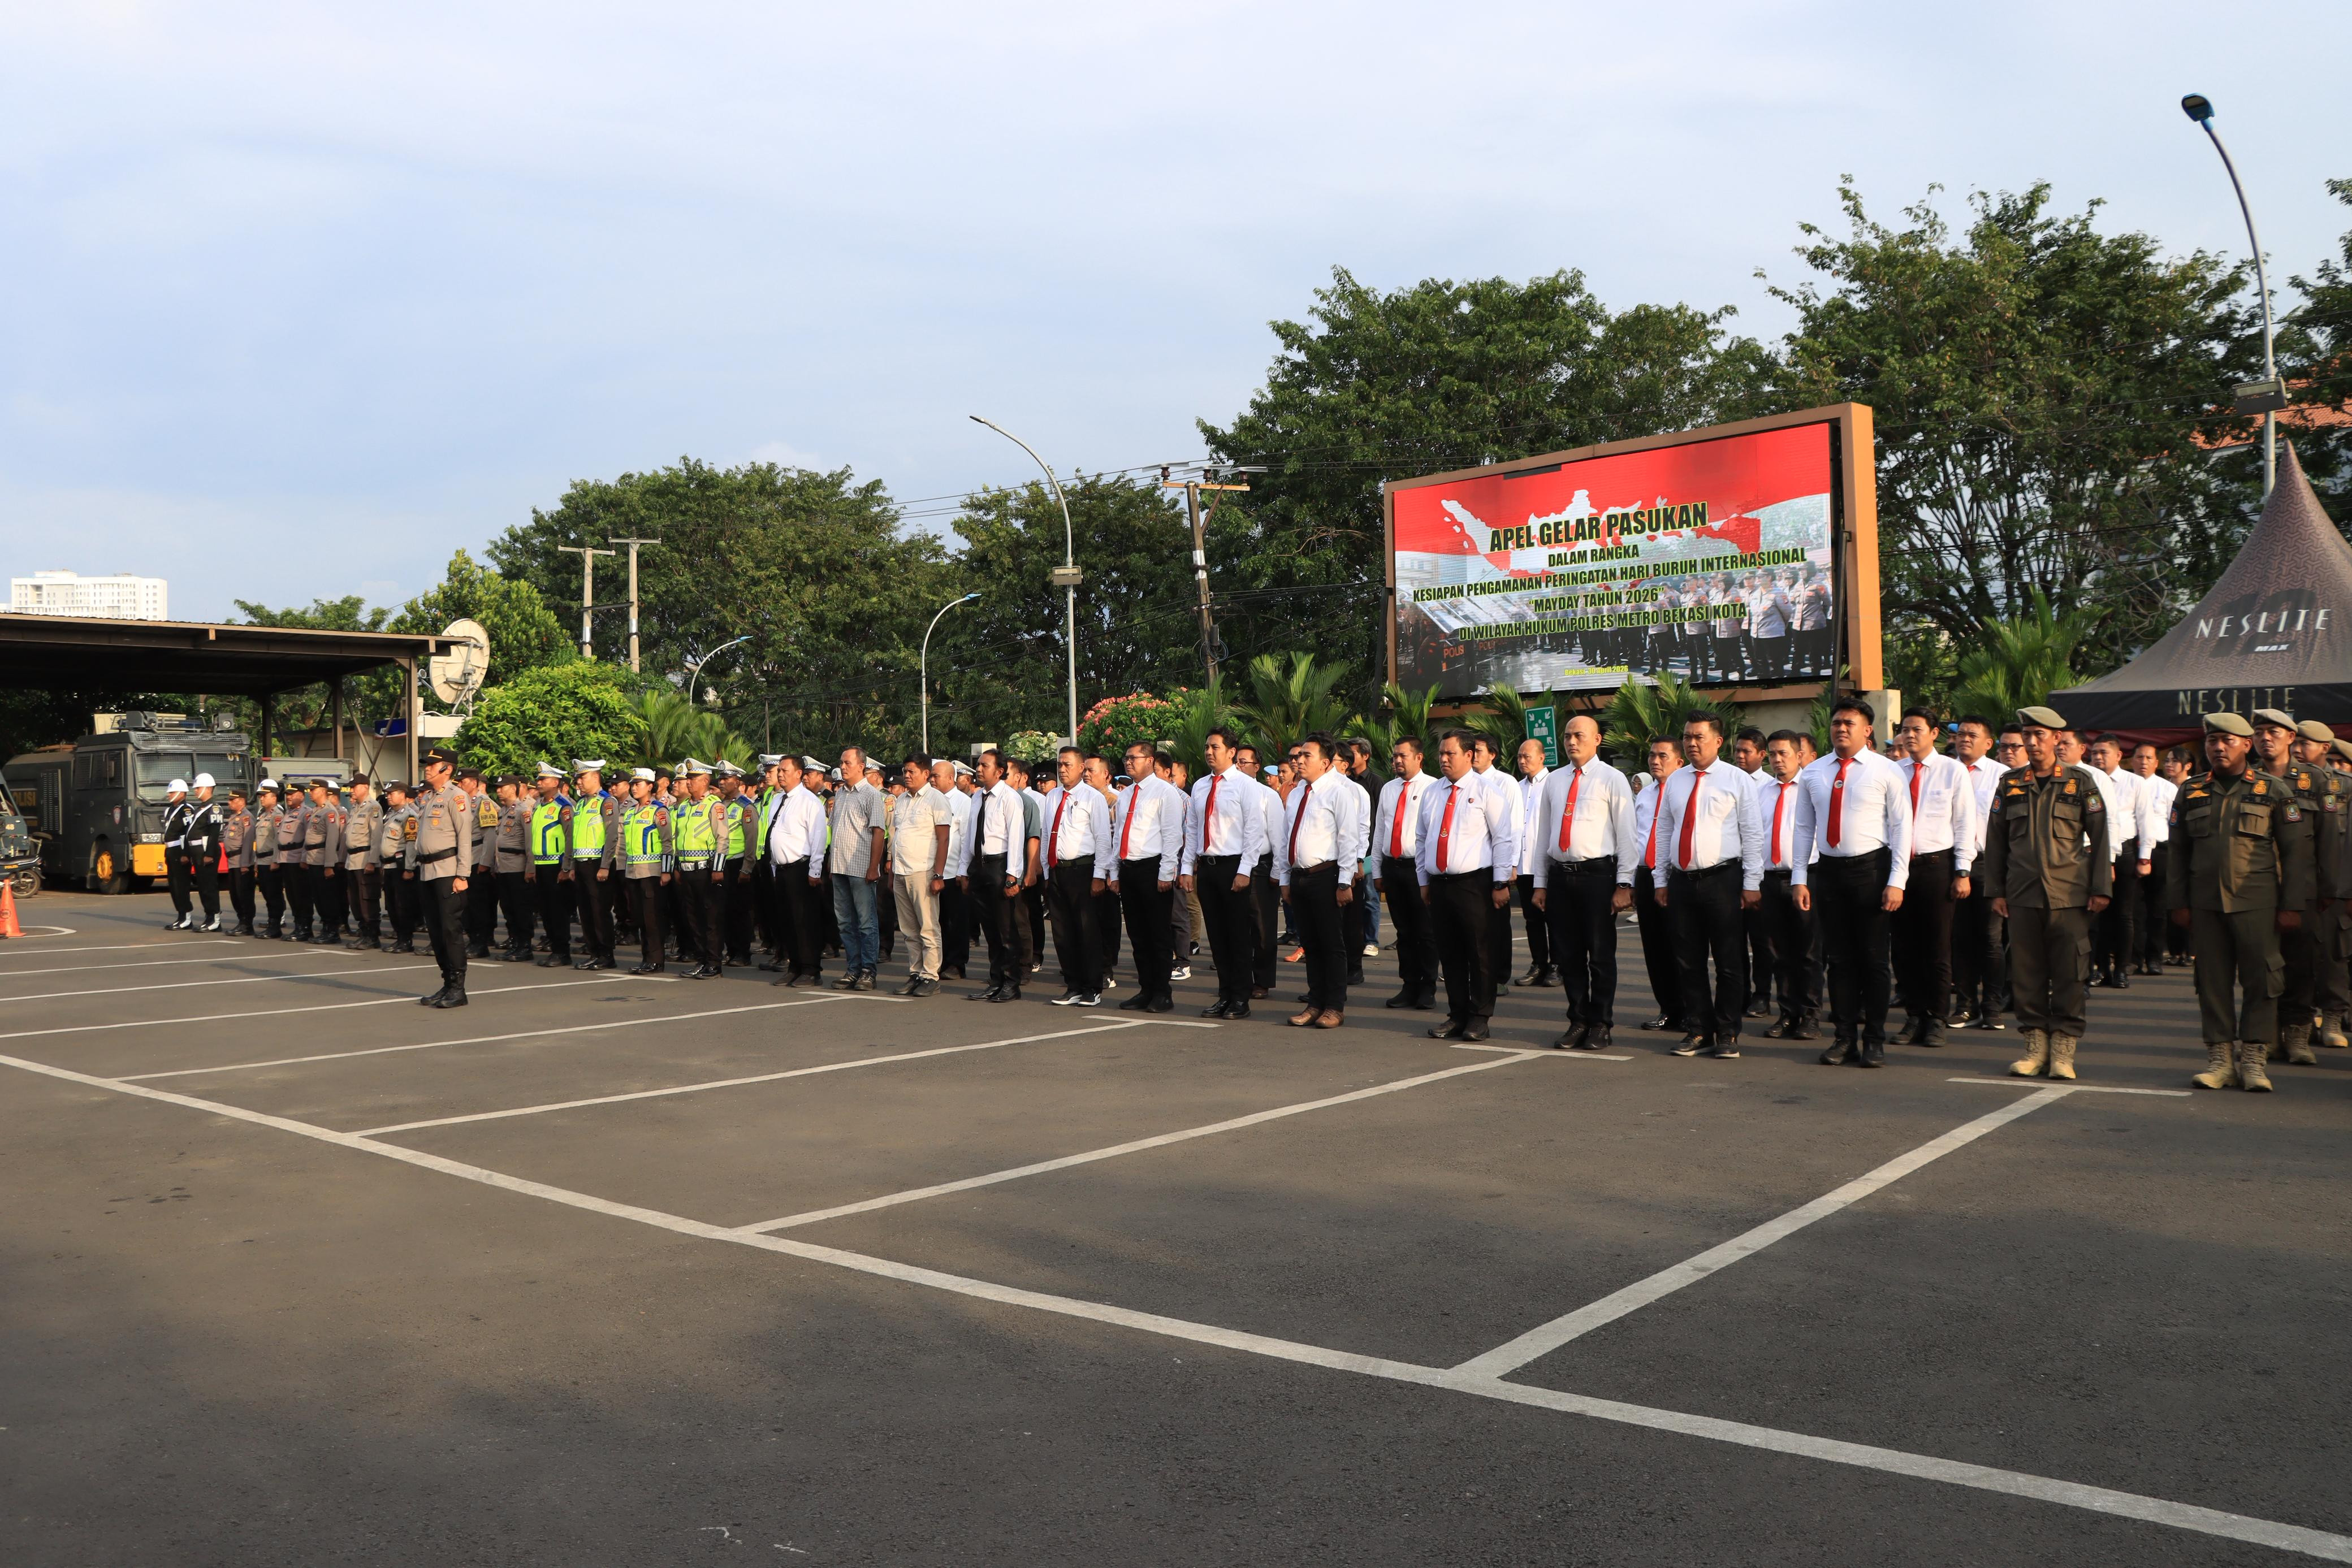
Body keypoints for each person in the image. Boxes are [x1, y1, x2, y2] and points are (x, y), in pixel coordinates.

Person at [2168, 712, 2311, 1091]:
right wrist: (2177, 902)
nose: (2217, 747)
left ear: (2246, 745)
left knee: (2262, 981)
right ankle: (2219, 1060)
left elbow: (2295, 853)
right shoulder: (2191, 791)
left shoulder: (2274, 790)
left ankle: (2253, 1060)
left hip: (2258, 903)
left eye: (2227, 741)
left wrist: (2292, 905)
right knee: (2211, 983)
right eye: (2211, 741)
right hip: (2206, 904)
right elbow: (2178, 853)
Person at [1979, 706, 2111, 1081]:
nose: (2032, 742)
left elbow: (2101, 837)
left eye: (2040, 735)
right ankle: (2035, 1048)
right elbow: (1996, 840)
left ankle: (2064, 1051)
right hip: (2022, 895)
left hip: (2070, 894)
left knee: (2070, 973)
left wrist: (2101, 887)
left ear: (2057, 739)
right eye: (2028, 735)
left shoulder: (2080, 782)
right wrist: (1997, 891)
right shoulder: (2011, 783)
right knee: (2027, 973)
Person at [1792, 698, 1913, 1067]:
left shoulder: (1886, 771)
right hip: (1829, 872)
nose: (1841, 729)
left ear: (1867, 730)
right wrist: (1800, 877)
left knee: (1874, 960)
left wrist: (1898, 880)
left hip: (1872, 872)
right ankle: (1845, 1038)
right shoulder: (1814, 772)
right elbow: (1803, 827)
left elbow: (1901, 827)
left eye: (1849, 723)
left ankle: (1874, 1038)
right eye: (1837, 723)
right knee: (1839, 961)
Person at [1653, 713, 1765, 1059]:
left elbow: (1753, 835)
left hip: (1723, 880)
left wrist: (1751, 883)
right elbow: (1665, 832)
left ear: (1718, 741)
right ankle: (1699, 1029)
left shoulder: (1736, 779)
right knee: (1689, 960)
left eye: (1699, 737)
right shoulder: (1676, 781)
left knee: (1729, 961)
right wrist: (1661, 879)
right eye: (1687, 736)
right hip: (1683, 881)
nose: (1691, 743)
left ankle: (1728, 1032)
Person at [1529, 713, 1637, 1050]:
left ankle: (1601, 1023)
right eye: (1566, 736)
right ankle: (1578, 1019)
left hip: (1598, 877)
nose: (1571, 741)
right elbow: (1543, 834)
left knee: (1601, 955)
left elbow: (1627, 835)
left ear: (1597, 740)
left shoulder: (1612, 778)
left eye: (1579, 735)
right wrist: (1541, 884)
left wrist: (1624, 884)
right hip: (1561, 878)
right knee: (1568, 955)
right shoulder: (1555, 781)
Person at [2247, 710, 2346, 1065]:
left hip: (2303, 887)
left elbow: (2329, 841)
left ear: (2291, 737)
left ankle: (2299, 1034)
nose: (2265, 739)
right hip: (2255, 886)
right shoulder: (2247, 777)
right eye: (2259, 733)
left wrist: (2330, 888)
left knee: (2301, 965)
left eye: (2273, 732)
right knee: (2260, 965)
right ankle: (2266, 1035)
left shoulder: (2317, 780)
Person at [1415, 730, 1516, 1042]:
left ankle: (1480, 1017)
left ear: (1470, 755)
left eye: (1451, 754)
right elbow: (1422, 839)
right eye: (1441, 754)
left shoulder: (1487, 791)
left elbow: (1503, 839)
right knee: (1451, 953)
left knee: (1480, 952)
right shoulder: (1432, 792)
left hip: (1475, 883)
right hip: (1440, 884)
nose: (1444, 759)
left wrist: (1501, 882)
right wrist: (1424, 880)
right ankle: (1457, 1015)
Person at [1890, 708, 1977, 1047]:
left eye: (1917, 730)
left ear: (1934, 733)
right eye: (1905, 730)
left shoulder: (1952, 771)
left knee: (1937, 947)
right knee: (1904, 947)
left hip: (1936, 867)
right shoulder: (1894, 772)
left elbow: (1965, 824)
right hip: (1898, 868)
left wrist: (1962, 871)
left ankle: (1937, 1018)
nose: (1910, 735)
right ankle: (1913, 1016)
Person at [1274, 733, 1369, 1028]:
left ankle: (1334, 1006)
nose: (1299, 761)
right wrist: (1284, 880)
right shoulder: (1298, 792)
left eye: (1307, 756)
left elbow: (1348, 839)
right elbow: (1285, 838)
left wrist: (1344, 883)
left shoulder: (1339, 792)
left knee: (1332, 944)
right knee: (1311, 944)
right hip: (1300, 877)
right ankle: (1315, 1003)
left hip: (1326, 876)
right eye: (1298, 756)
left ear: (1326, 763)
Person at [1183, 727, 1269, 1020]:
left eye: (1215, 747)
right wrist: (1186, 867)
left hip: (1234, 868)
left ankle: (1240, 998)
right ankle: (1224, 995)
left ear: (1232, 752)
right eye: (1207, 747)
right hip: (1207, 869)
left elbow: (1254, 831)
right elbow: (1193, 829)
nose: (1209, 752)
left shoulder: (1245, 786)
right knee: (1217, 938)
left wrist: (1245, 870)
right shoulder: (1200, 786)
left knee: (1238, 937)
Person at [2287, 721, 2352, 1049]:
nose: (2297, 749)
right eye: (2295, 743)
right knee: (2298, 954)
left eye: (2305, 744)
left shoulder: (2345, 786)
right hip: (2297, 881)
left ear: (2326, 748)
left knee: (2334, 953)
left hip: (2336, 883)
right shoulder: (2284, 781)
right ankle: (2301, 1019)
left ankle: (2333, 1018)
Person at [1753, 730, 1820, 1040]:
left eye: (1784, 754)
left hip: (1805, 878)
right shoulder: (1762, 791)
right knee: (1778, 953)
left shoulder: (1812, 787)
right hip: (1769, 879)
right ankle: (1787, 1013)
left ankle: (1810, 1015)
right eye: (1772, 754)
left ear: (1799, 755)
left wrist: (1802, 878)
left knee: (1807, 952)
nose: (1777, 760)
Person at [1113, 742, 1185, 1013]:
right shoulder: (1126, 794)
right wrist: (1114, 871)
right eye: (1126, 757)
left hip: (1153, 870)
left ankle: (1162, 992)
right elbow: (1119, 834)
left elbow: (1172, 836)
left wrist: (1167, 872)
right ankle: (1145, 989)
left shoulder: (1165, 793)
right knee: (1137, 934)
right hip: (1128, 868)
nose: (1128, 762)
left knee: (1158, 935)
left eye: (1134, 758)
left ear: (1150, 760)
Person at [1037, 746, 1112, 1006]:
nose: (1062, 769)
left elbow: (1103, 838)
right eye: (1059, 764)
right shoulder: (1053, 796)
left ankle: (1093, 986)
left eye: (1067, 765)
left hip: (1083, 871)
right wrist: (1047, 871)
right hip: (1057, 872)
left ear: (1081, 768)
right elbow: (1047, 834)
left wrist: (1100, 875)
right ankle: (1074, 985)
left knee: (1087, 931)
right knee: (1062, 932)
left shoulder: (1093, 797)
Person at [1949, 715, 2009, 1030]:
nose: (1965, 740)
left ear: (1989, 743)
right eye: (1960, 734)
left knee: (1990, 938)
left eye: (1973, 735)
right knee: (1959, 938)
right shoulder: (1945, 771)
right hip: (1951, 864)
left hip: (1989, 865)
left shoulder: (2004, 776)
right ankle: (1965, 1005)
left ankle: (1993, 1006)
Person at [961, 750, 1034, 1003]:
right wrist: (964, 870)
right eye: (978, 765)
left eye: (984, 765)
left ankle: (1011, 983)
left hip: (1000, 866)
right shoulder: (976, 797)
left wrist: (1013, 876)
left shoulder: (1009, 798)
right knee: (989, 930)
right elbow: (969, 835)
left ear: (999, 771)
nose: (978, 769)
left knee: (1006, 930)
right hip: (979, 867)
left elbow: (1016, 838)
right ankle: (996, 981)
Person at [410, 747, 481, 1008]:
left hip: (448, 872)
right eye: (426, 764)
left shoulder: (457, 796)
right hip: (428, 871)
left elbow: (464, 838)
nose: (427, 768)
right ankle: (447, 982)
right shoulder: (430, 797)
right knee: (436, 931)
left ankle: (458, 989)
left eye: (432, 764)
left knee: (451, 930)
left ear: (447, 769)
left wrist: (463, 874)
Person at [1373, 737, 1439, 1011]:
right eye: (1394, 756)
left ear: (1419, 758)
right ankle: (1408, 985)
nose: (1397, 761)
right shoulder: (1389, 789)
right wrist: (1377, 869)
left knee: (1425, 931)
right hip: (1393, 866)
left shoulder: (1433, 787)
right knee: (1403, 931)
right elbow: (1380, 831)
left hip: (1418, 868)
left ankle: (1428, 987)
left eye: (1403, 756)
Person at [758, 755, 829, 987]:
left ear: (799, 773)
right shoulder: (778, 800)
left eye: (784, 770)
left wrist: (815, 871)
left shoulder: (810, 802)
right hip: (781, 869)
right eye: (778, 770)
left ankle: (811, 970)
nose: (780, 774)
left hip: (802, 869)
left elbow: (818, 838)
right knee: (786, 920)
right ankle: (795, 966)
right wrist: (774, 867)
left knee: (805, 922)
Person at [1631, 737, 1685, 1032]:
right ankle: (1668, 1008)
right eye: (1652, 755)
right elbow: (1636, 836)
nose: (1655, 761)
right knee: (1654, 947)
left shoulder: (1684, 790)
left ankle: (1690, 1010)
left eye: (1663, 756)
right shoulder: (1645, 794)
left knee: (1681, 945)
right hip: (1645, 873)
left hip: (1675, 875)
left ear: (1679, 761)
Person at [887, 753, 953, 997]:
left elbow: (943, 838)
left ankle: (931, 976)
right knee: (909, 929)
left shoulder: (937, 799)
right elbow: (896, 835)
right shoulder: (902, 800)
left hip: (923, 871)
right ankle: (916, 973)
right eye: (905, 771)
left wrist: (938, 874)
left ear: (926, 774)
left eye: (912, 771)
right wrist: (892, 867)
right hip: (902, 870)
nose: (907, 775)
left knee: (928, 927)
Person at [823, 748, 887, 991]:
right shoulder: (841, 795)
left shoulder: (871, 795)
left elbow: (878, 832)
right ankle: (853, 969)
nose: (843, 766)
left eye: (847, 762)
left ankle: (868, 971)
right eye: (841, 762)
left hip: (861, 869)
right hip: (839, 867)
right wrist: (831, 863)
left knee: (866, 923)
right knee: (845, 923)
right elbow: (836, 830)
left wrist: (874, 867)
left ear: (861, 766)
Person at [1467, 737, 1523, 997]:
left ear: (1493, 754)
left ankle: (1500, 975)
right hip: (1471, 868)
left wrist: (1510, 866)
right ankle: (1475, 972)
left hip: (1496, 865)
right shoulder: (1465, 782)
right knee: (1473, 924)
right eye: (1471, 751)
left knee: (1498, 924)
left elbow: (1513, 827)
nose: (1473, 755)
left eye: (1478, 751)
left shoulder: (1505, 782)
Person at [668, 761, 727, 978]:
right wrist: (676, 867)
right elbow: (677, 839)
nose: (689, 783)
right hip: (686, 869)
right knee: (693, 919)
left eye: (693, 779)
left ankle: (714, 963)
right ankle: (701, 960)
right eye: (688, 780)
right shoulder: (683, 807)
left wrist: (718, 869)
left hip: (706, 870)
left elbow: (722, 839)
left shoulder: (715, 806)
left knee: (710, 919)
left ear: (705, 781)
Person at [1234, 743, 1283, 997]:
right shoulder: (1227, 792)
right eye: (1237, 762)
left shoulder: (1268, 795)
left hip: (1262, 867)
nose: (1239, 766)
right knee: (1238, 927)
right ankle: (1241, 977)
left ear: (1256, 767)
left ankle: (1262, 981)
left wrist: (1277, 871)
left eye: (1245, 762)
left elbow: (1277, 837)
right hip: (1234, 865)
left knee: (1263, 927)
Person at [617, 768, 675, 974]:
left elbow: (668, 843)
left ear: (650, 787)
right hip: (633, 872)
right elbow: (624, 844)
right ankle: (646, 958)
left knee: (653, 919)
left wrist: (666, 872)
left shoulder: (659, 811)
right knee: (640, 918)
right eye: (632, 784)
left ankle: (656, 960)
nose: (634, 788)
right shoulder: (631, 812)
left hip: (652, 872)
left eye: (638, 784)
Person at [2127, 741, 2176, 979]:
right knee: (2133, 908)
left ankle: (2154, 958)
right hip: (2131, 848)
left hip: (2161, 850)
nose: (2143, 762)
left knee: (2158, 908)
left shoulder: (2167, 789)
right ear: (2132, 760)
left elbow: (2175, 825)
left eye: (2149, 758)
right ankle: (2133, 959)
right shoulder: (2124, 785)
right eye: (2139, 757)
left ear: (2157, 763)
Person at [1510, 737, 1555, 989]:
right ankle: (1539, 963)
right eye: (1519, 757)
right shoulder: (1517, 788)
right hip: (1525, 865)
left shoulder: (1553, 784)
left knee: (1554, 918)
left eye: (1527, 756)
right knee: (1532, 919)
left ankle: (1557, 965)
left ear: (1542, 757)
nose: (1522, 761)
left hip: (1548, 865)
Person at [524, 763, 573, 967]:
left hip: (556, 864)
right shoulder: (539, 805)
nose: (539, 783)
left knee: (558, 910)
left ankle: (563, 951)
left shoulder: (564, 805)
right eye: (539, 779)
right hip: (541, 864)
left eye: (543, 780)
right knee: (545, 910)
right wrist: (532, 865)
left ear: (555, 782)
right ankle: (554, 947)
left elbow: (570, 838)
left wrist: (566, 867)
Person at [486, 774, 533, 961]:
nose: (498, 790)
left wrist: (531, 868)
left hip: (518, 865)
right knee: (508, 908)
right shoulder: (503, 811)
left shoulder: (524, 810)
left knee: (521, 908)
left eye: (502, 787)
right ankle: (515, 942)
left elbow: (529, 842)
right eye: (497, 787)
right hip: (503, 866)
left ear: (513, 789)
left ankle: (525, 946)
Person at [299, 778, 346, 946]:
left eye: (313, 790)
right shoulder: (316, 811)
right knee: (318, 897)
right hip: (313, 860)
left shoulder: (329, 812)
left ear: (323, 792)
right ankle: (326, 929)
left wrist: (329, 865)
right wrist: (305, 858)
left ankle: (333, 931)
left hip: (323, 861)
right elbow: (309, 838)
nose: (310, 793)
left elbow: (332, 841)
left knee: (327, 898)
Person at [342, 775, 384, 950]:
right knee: (355, 901)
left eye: (355, 786)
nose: (352, 790)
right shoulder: (356, 808)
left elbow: (376, 836)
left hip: (365, 859)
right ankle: (364, 932)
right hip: (352, 861)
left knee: (367, 899)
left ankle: (372, 936)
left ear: (365, 787)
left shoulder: (373, 808)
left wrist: (372, 862)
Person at [378, 783, 419, 953]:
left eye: (391, 793)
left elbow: (411, 844)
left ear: (403, 795)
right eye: (387, 794)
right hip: (388, 865)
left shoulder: (409, 815)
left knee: (403, 905)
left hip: (400, 866)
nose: (388, 796)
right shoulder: (390, 814)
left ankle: (406, 940)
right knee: (392, 905)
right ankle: (399, 937)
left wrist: (409, 869)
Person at [276, 783, 314, 941]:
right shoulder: (288, 813)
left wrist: (305, 859)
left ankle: (305, 928)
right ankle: (298, 925)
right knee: (292, 895)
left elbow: (308, 838)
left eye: (292, 794)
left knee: (302, 895)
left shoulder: (306, 813)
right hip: (286, 859)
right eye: (287, 794)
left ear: (302, 796)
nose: (289, 797)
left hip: (298, 859)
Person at [250, 781, 286, 938]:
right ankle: (272, 924)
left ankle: (275, 926)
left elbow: (279, 840)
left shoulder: (277, 815)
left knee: (274, 895)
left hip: (272, 861)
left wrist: (276, 861)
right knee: (266, 893)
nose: (261, 799)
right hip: (262, 861)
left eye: (264, 796)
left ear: (274, 796)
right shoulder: (263, 815)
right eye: (260, 796)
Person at [221, 789, 257, 935]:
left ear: (242, 801)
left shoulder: (246, 818)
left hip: (242, 861)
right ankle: (241, 921)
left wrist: (245, 864)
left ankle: (247, 924)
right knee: (235, 894)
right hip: (232, 861)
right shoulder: (233, 817)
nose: (230, 803)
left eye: (233, 800)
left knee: (244, 894)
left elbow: (248, 842)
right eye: (229, 800)